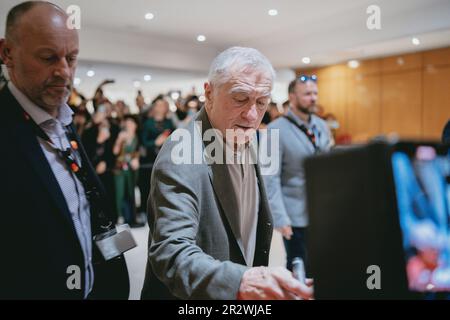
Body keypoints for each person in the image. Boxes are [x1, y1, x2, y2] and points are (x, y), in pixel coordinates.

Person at [141, 47, 313, 300]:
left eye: (262, 102)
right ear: (208, 94)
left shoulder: (247, 135)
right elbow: (171, 253)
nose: (252, 115)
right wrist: (241, 280)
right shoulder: (182, 153)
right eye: (240, 98)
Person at [0, 1, 129, 299]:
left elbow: (89, 210)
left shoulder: (64, 121)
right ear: (7, 53)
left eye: (71, 58)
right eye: (48, 57)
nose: (64, 72)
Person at [263, 75, 333, 273]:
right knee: (298, 266)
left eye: (315, 93)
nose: (313, 98)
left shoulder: (321, 126)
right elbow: (270, 178)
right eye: (307, 94)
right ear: (292, 97)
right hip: (293, 214)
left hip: (320, 211)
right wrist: (280, 217)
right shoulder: (274, 130)